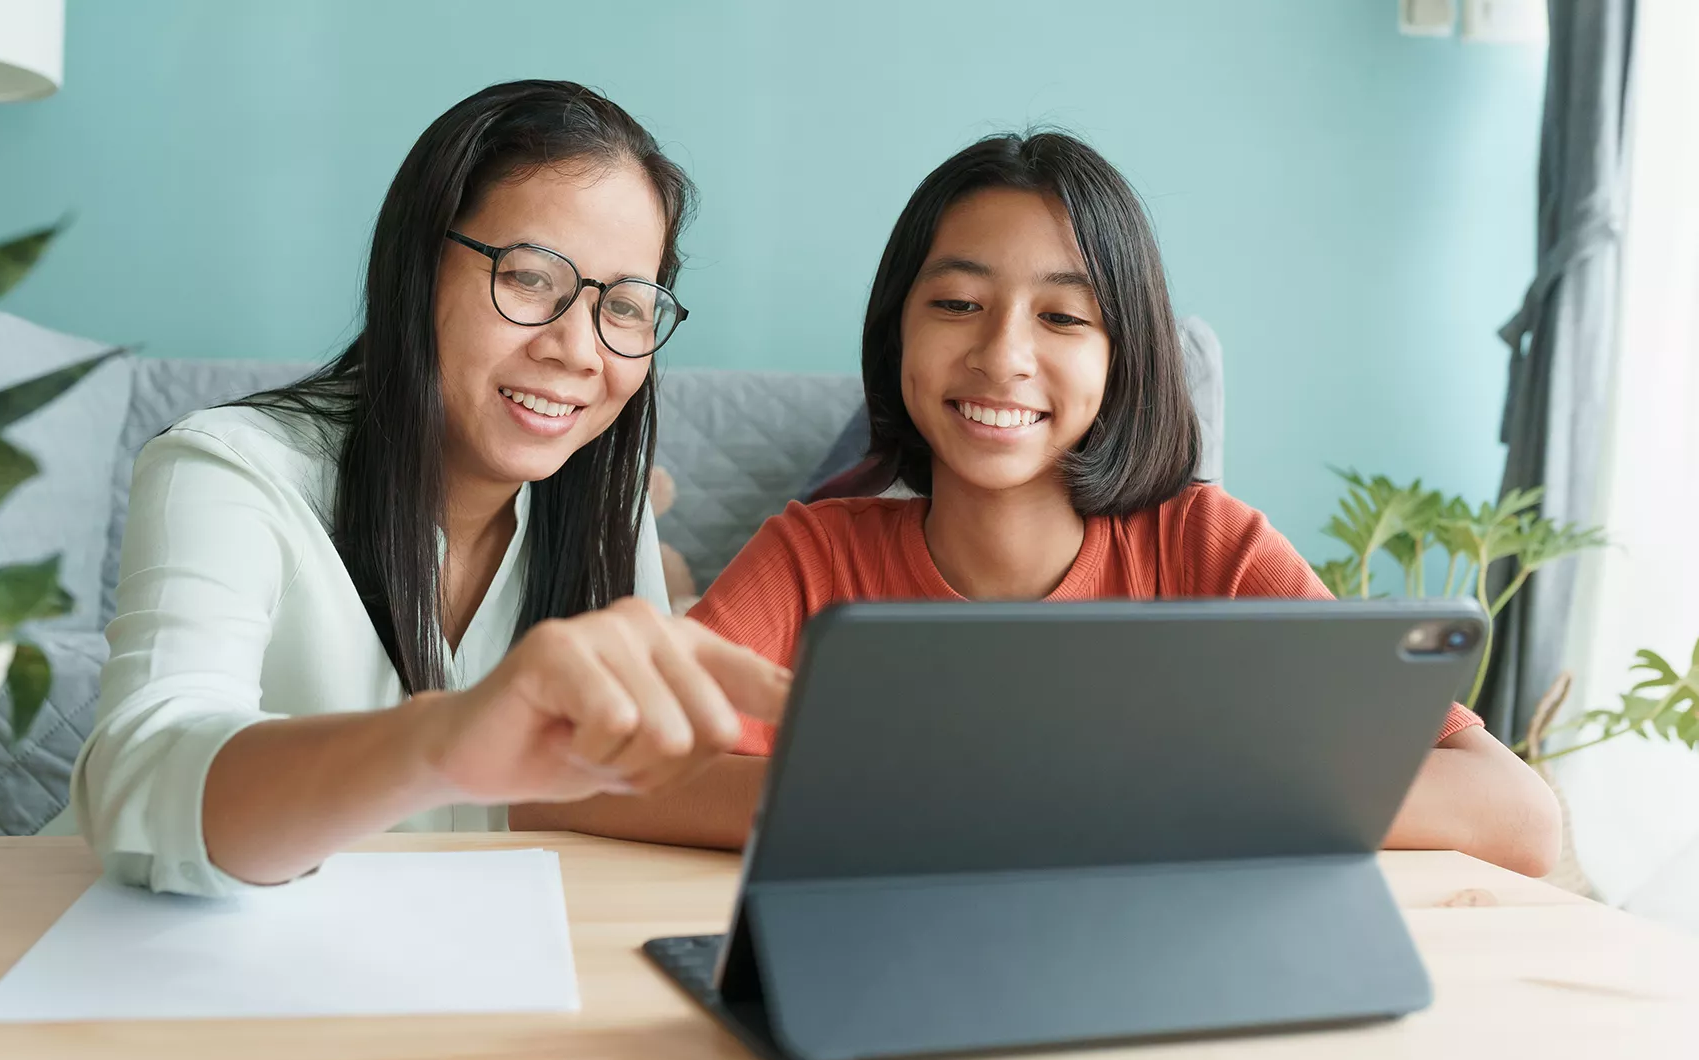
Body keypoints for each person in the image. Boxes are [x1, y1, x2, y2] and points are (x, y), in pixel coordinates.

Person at [515, 130, 1563, 877]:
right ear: (897, 335)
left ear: (1126, 357)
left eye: (1064, 316)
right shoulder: (814, 556)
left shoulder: (1208, 547)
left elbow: (1516, 812)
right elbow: (563, 781)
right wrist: (910, 810)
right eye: (958, 304)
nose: (1003, 355)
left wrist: (1147, 807)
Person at [71, 80, 788, 897]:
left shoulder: (601, 502)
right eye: (528, 277)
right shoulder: (227, 468)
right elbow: (137, 789)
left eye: (625, 306)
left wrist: (894, 800)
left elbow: (603, 784)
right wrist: (441, 743)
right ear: (415, 268)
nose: (579, 349)